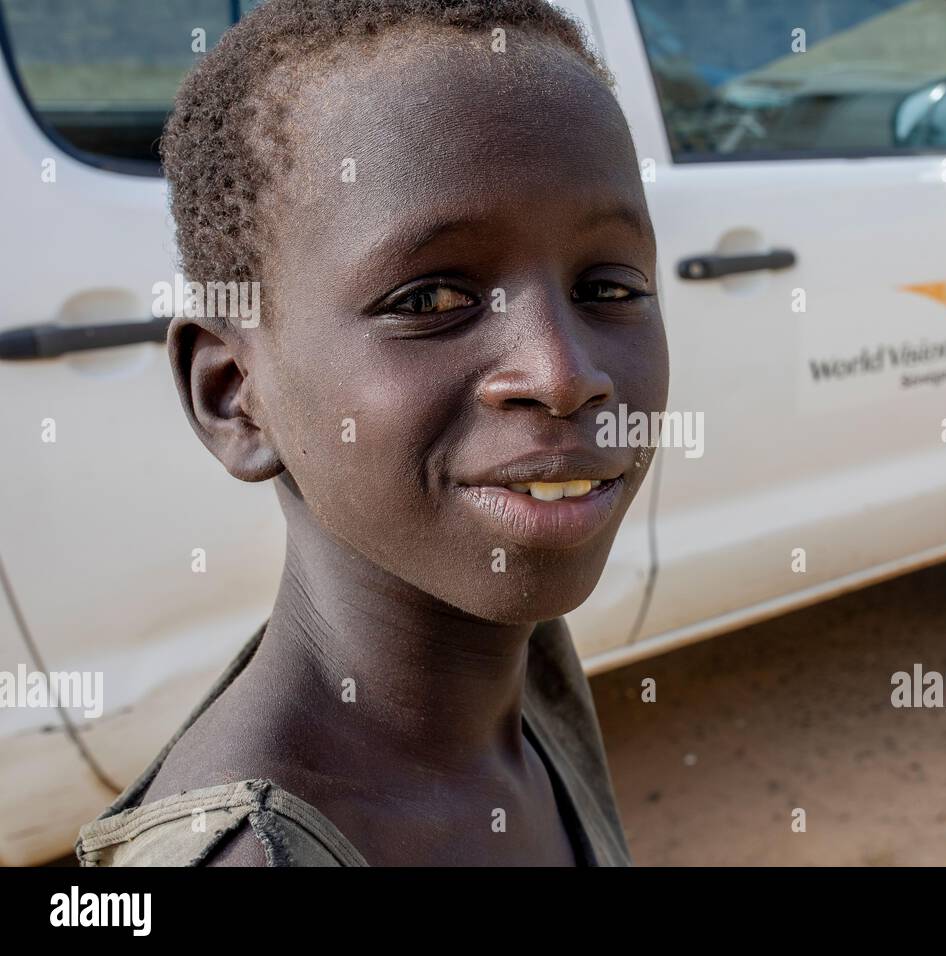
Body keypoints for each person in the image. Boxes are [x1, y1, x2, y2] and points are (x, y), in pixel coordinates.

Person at [75, 0, 668, 866]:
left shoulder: (526, 670)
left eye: (609, 287)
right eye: (429, 300)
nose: (564, 373)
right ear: (235, 394)